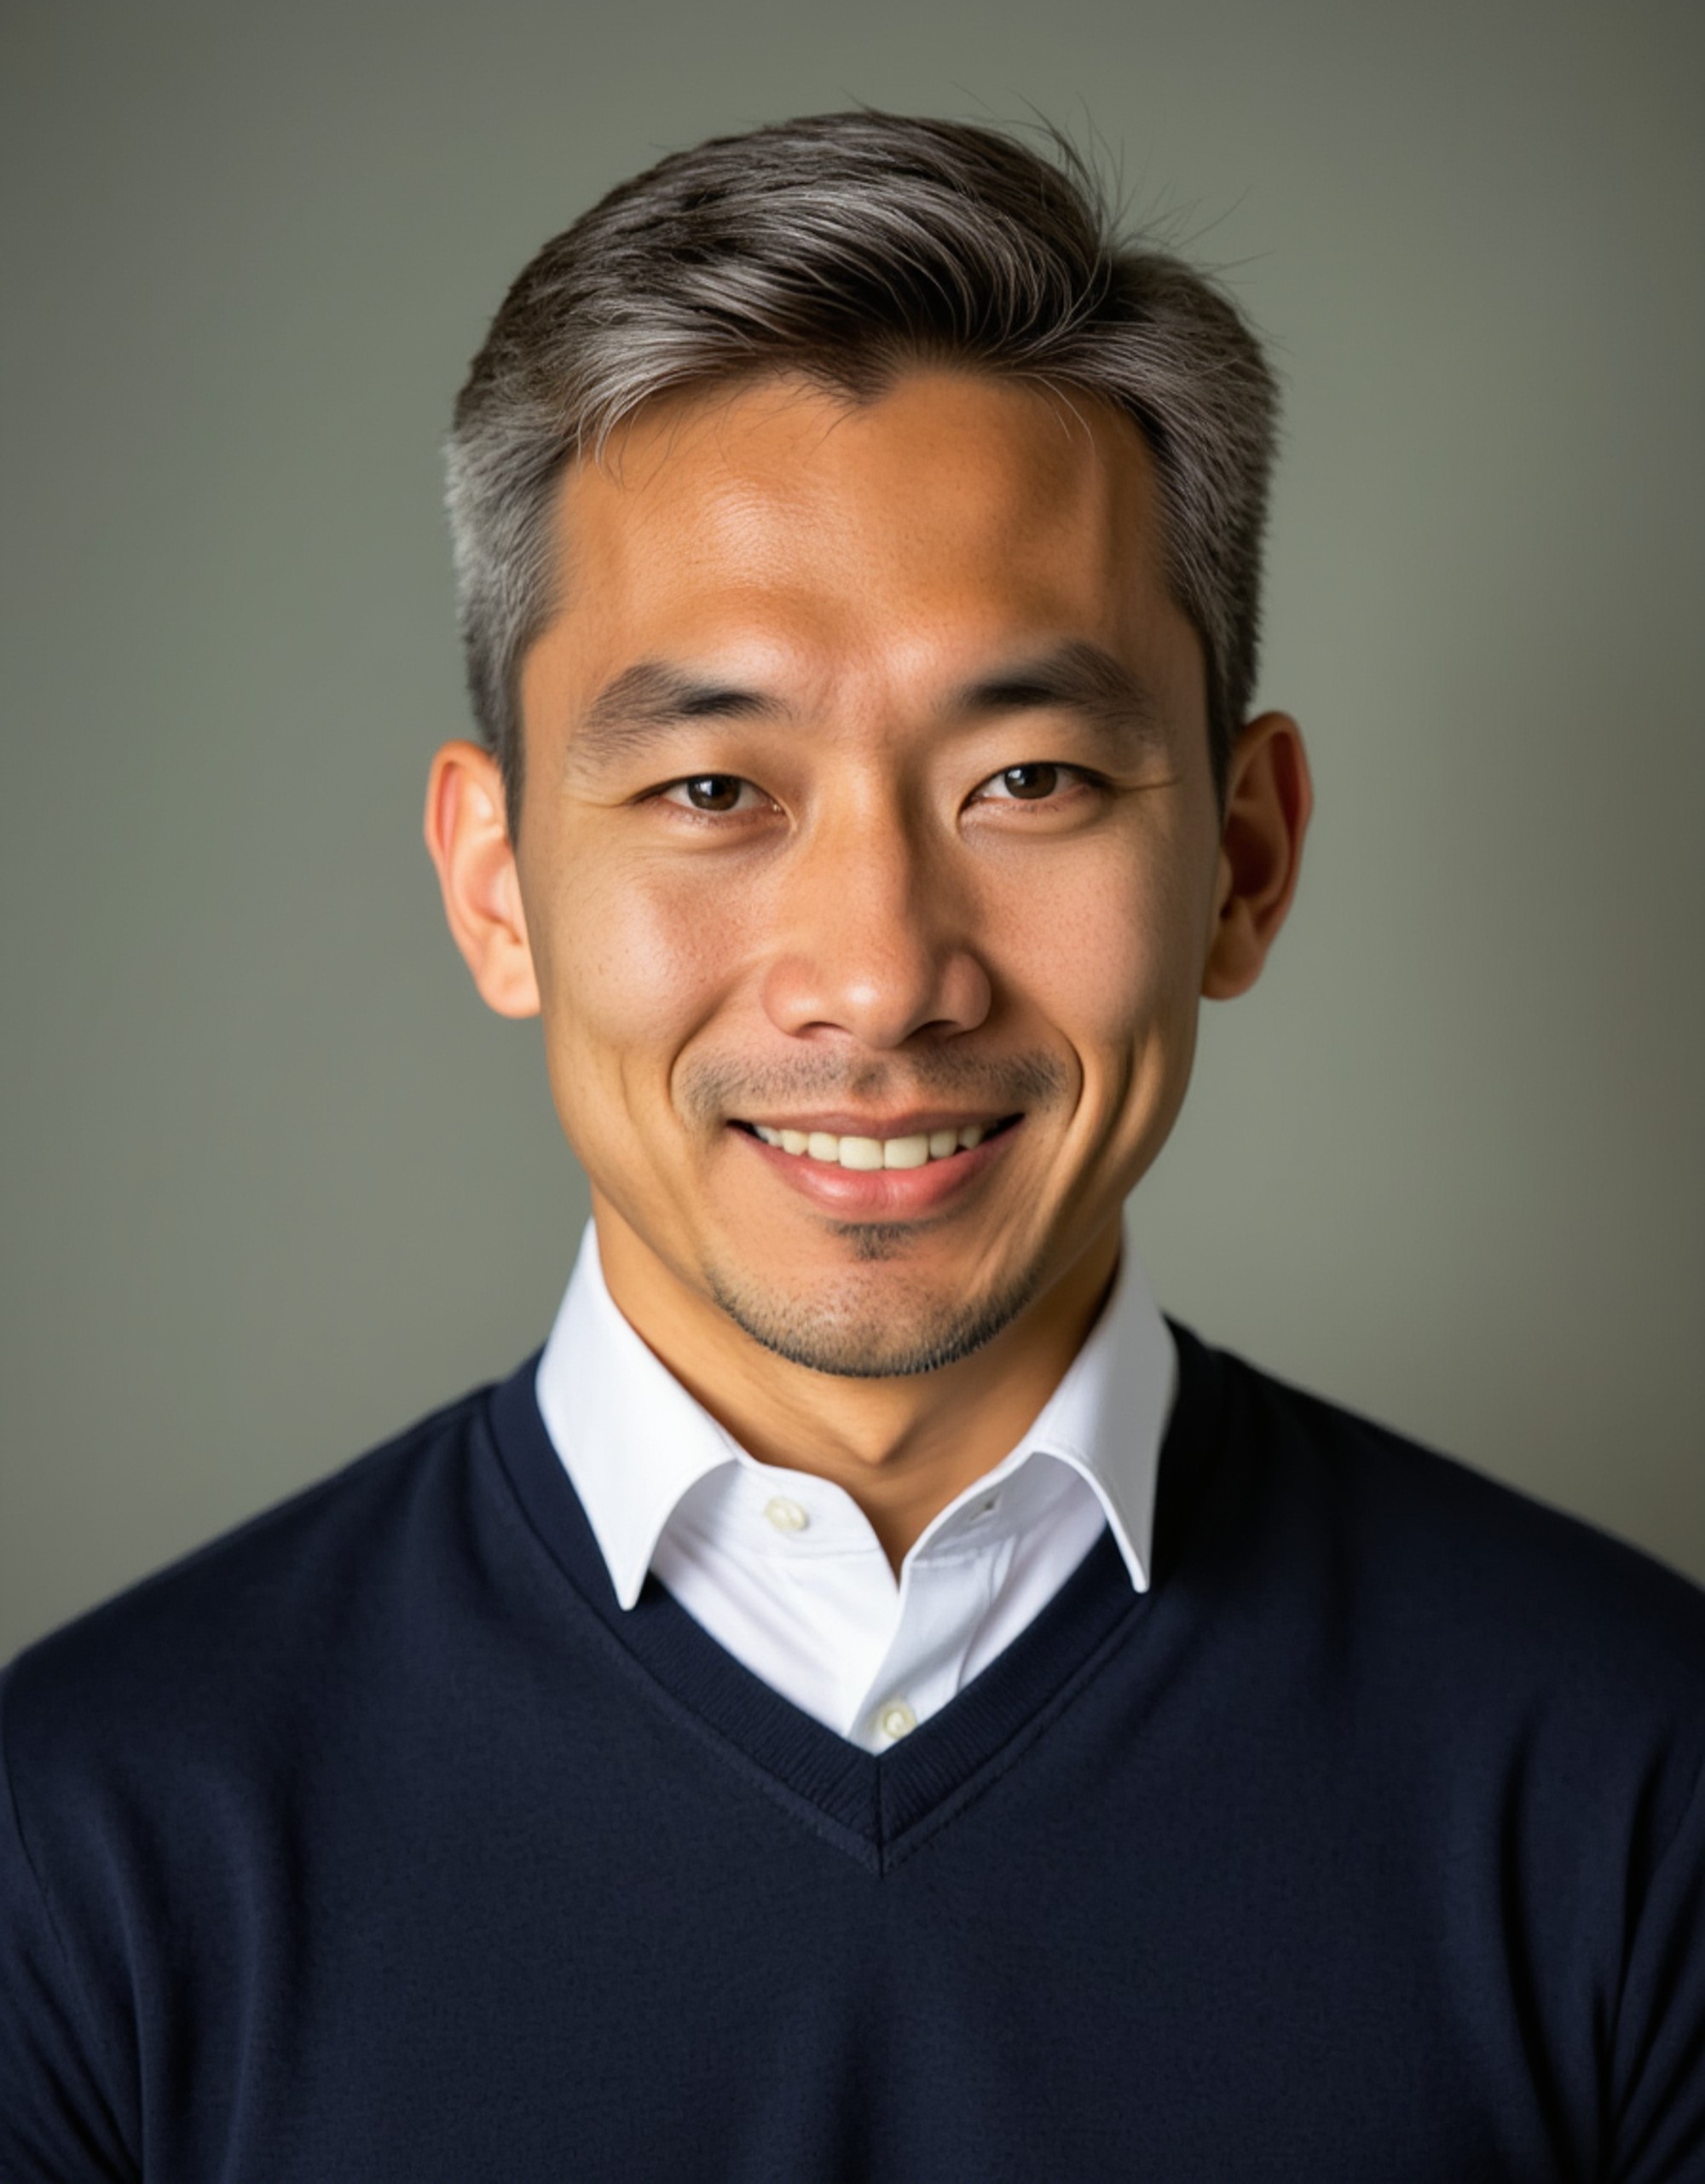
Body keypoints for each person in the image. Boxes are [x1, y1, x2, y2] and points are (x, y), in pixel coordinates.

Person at [2, 110, 1701, 2182]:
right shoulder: (78, 1844)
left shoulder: (1643, 1785)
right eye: (715, 788)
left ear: (1242, 860)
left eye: (1031, 775)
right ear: (497, 885)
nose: (882, 977)